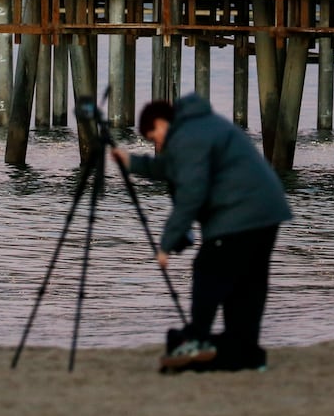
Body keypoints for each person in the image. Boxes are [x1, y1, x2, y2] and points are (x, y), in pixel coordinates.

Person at [113, 94, 293, 372]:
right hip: (268, 211)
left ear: (161, 123)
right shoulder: (201, 125)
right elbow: (174, 168)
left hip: (239, 214)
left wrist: (165, 246)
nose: (156, 145)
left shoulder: (187, 137)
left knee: (208, 270)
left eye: (154, 137)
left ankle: (198, 338)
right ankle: (245, 351)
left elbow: (191, 194)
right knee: (247, 285)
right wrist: (131, 162)